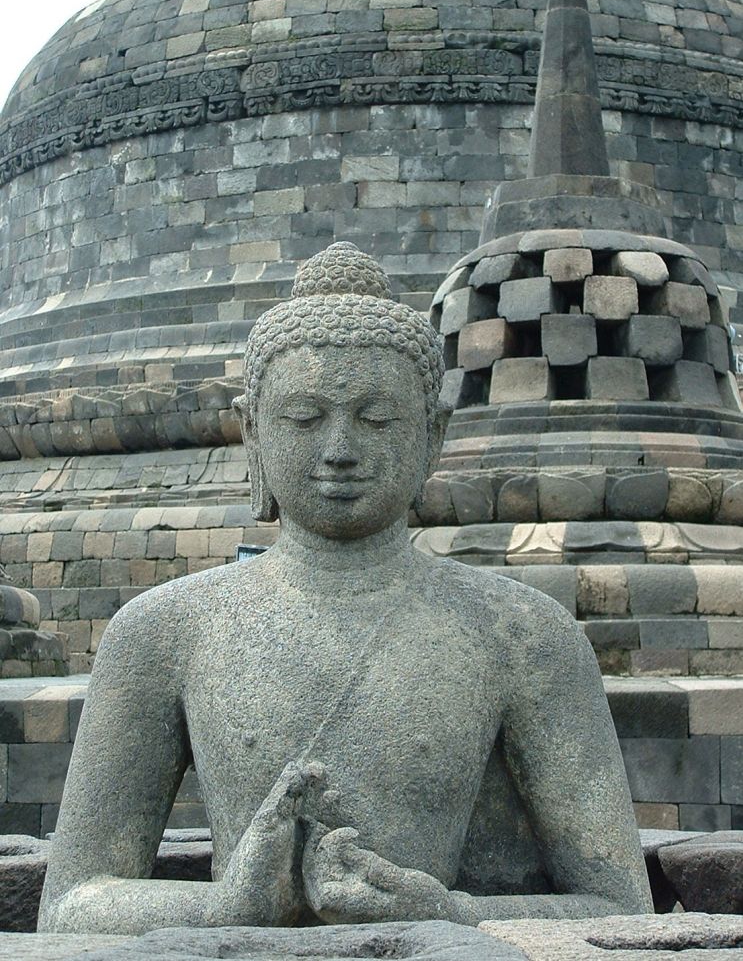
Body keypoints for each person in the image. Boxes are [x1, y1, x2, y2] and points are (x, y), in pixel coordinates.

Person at [38, 243, 652, 935]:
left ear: (432, 436)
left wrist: (451, 914)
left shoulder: (522, 633)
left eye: (377, 419)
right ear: (252, 433)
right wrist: (224, 907)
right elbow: (69, 905)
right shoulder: (164, 630)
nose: (339, 451)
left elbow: (620, 909)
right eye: (304, 418)